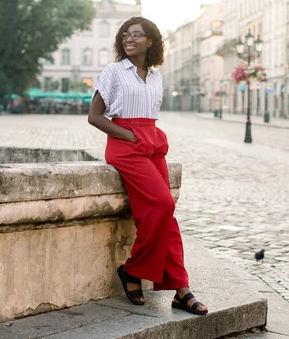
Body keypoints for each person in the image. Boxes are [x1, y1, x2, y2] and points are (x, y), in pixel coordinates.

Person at [87, 16, 208, 316]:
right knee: (163, 205)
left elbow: (150, 115)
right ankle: (133, 269)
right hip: (125, 145)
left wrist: (144, 136)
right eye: (125, 35)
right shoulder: (114, 71)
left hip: (151, 143)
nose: (129, 39)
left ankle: (181, 289)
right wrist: (129, 135)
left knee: (166, 217)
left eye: (137, 35)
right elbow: (94, 115)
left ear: (150, 41)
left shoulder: (155, 77)